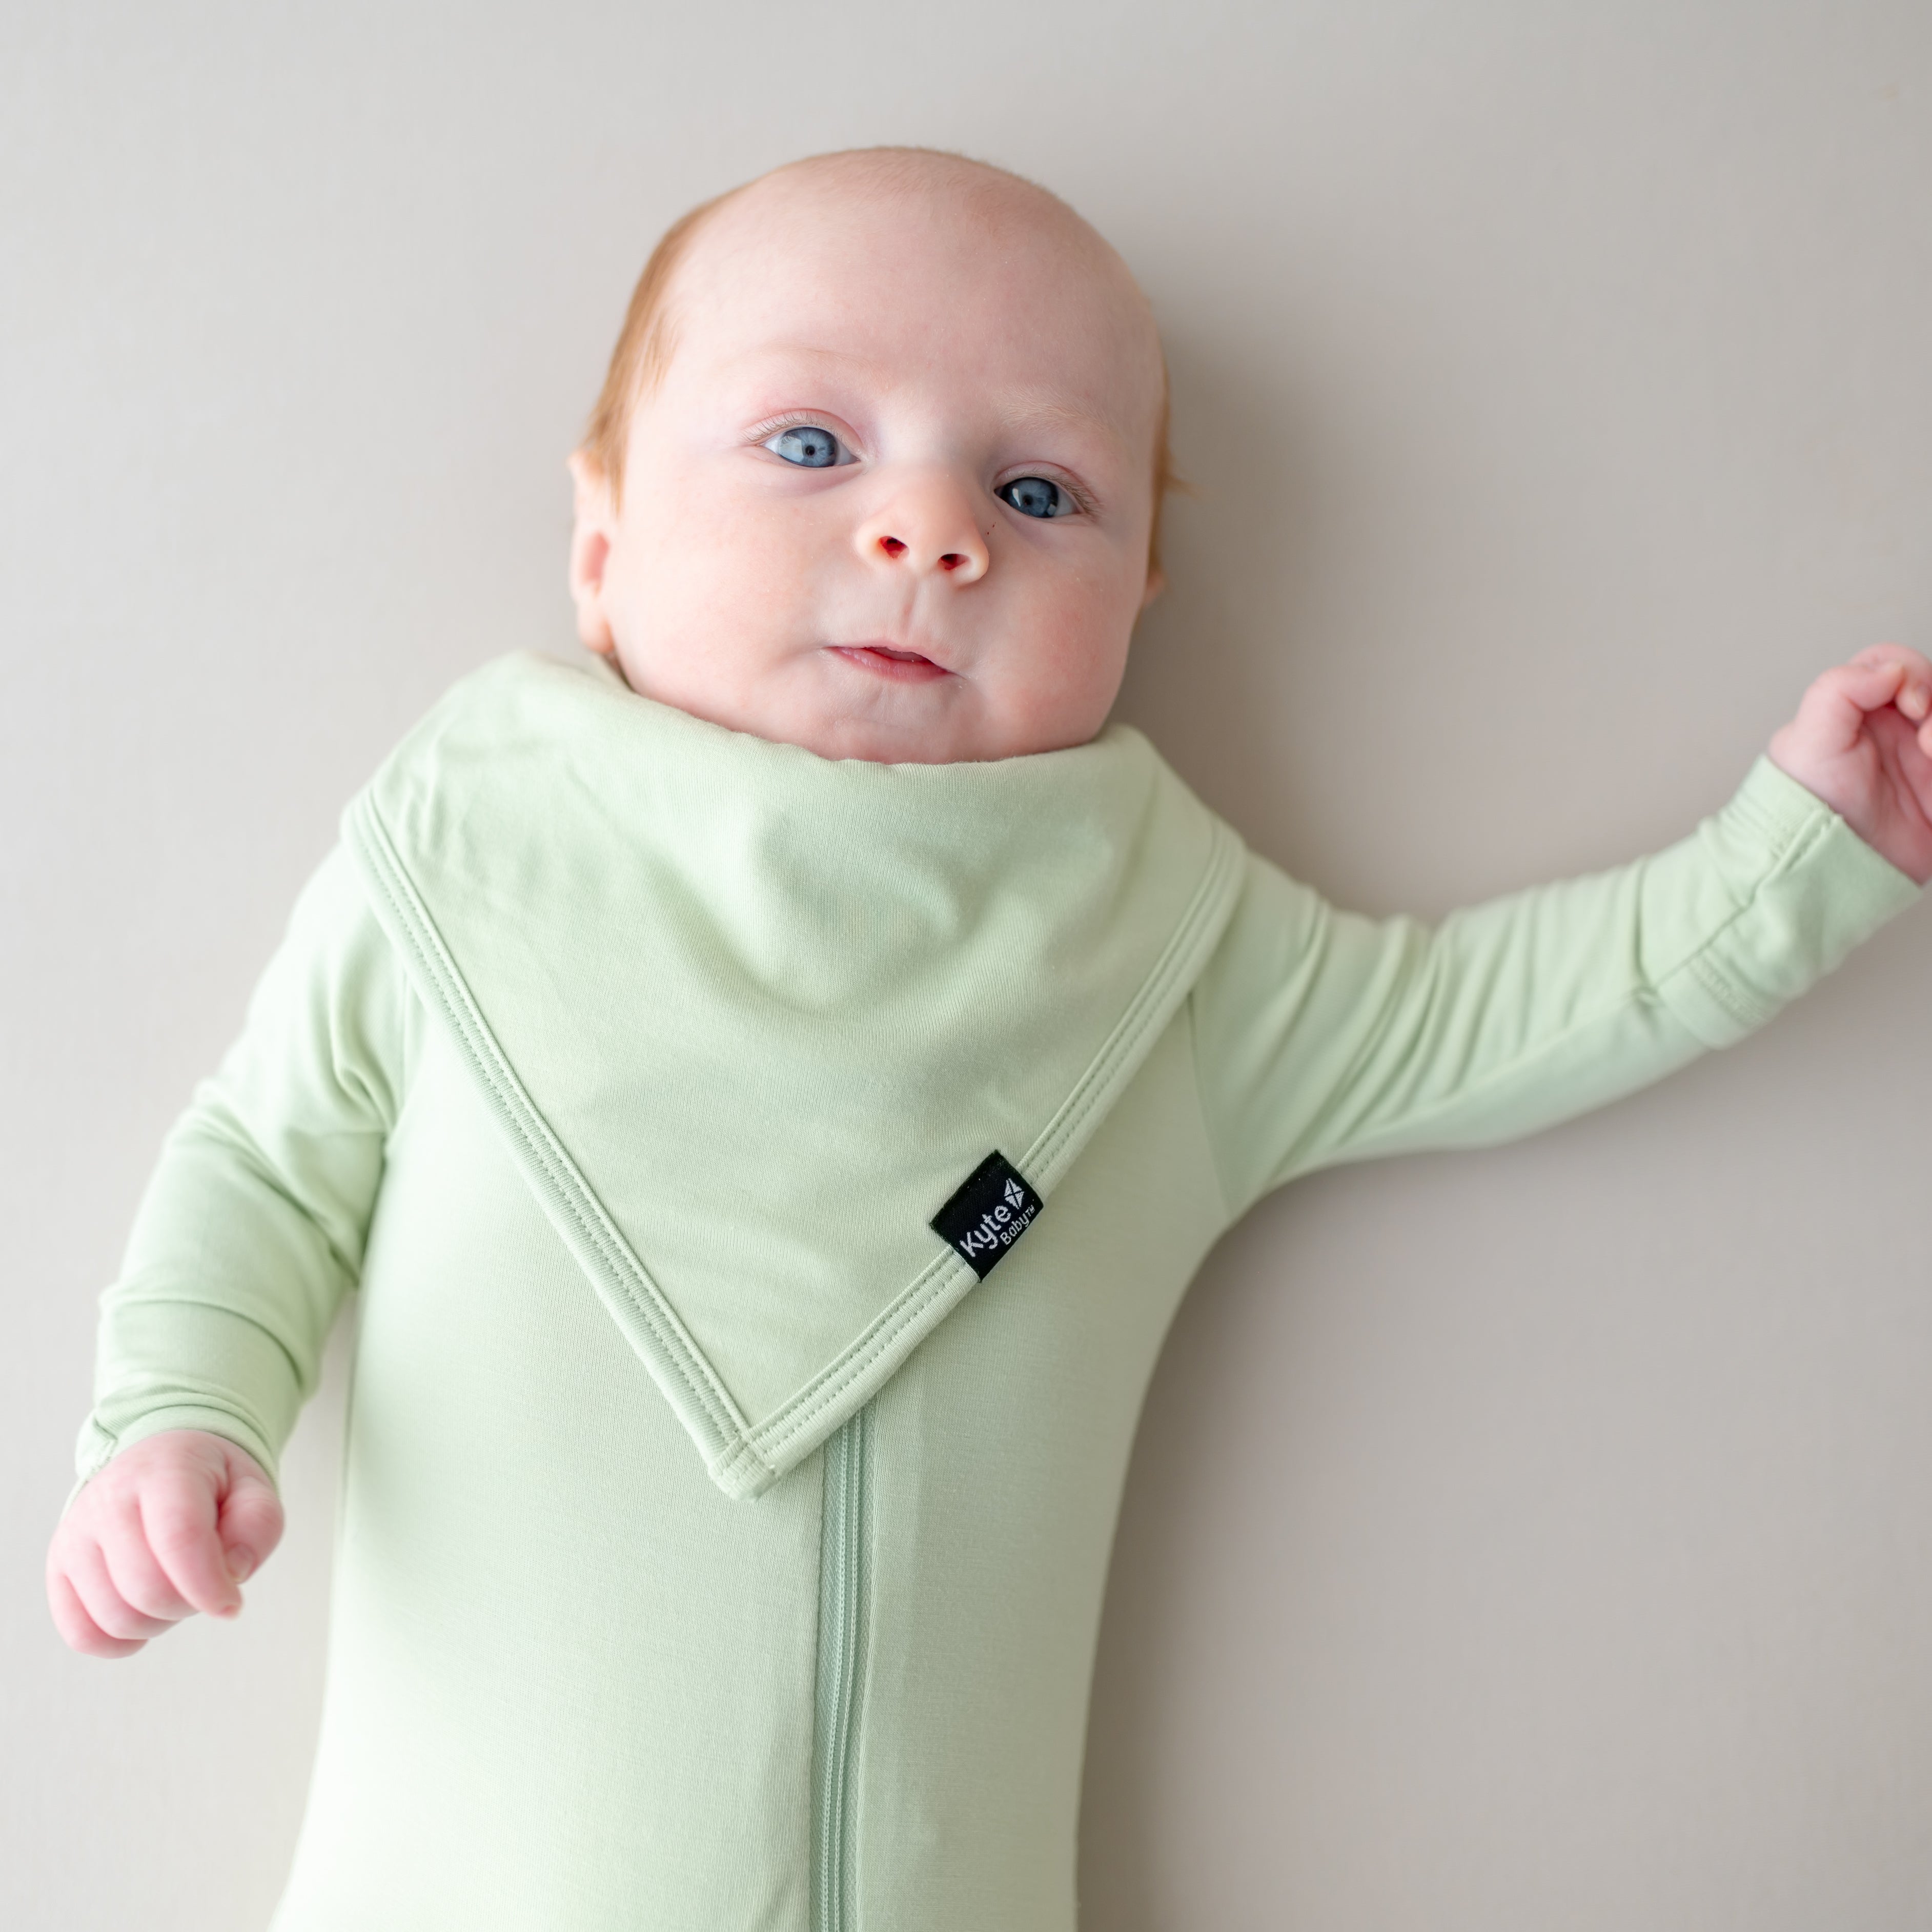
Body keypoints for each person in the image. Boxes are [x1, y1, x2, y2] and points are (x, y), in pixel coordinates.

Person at [46, 148, 1931, 1931]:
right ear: (601, 538)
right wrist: (177, 1413)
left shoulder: (1166, 948)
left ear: (1137, 601)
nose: (926, 527)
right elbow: (265, 1160)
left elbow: (1496, 1015)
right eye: (809, 442)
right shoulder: (469, 847)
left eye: (1038, 494)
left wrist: (1799, 852)